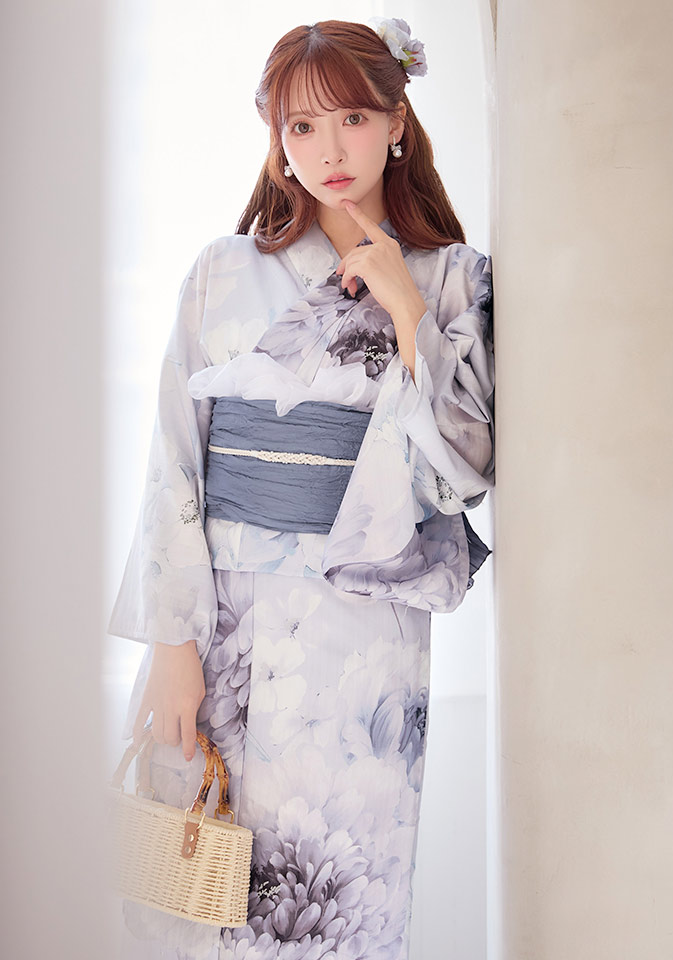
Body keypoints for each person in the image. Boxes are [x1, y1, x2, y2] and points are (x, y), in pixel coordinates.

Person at [107, 16, 494, 960]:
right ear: (276, 138)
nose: (328, 150)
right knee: (199, 891)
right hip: (223, 623)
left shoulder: (452, 278)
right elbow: (173, 460)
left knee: (337, 906)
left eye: (353, 118)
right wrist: (173, 645)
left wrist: (405, 303)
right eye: (302, 126)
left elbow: (468, 463)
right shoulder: (223, 271)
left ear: (396, 121)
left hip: (363, 638)